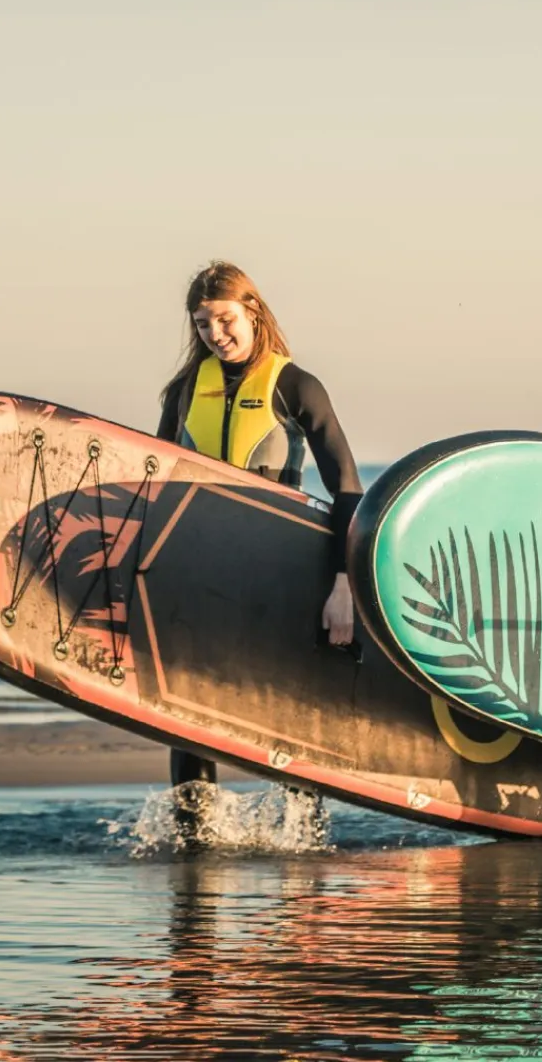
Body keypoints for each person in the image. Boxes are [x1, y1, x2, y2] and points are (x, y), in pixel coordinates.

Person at [156, 260, 364, 831]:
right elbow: (155, 486)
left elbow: (347, 485)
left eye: (224, 320)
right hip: (200, 571)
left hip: (281, 572)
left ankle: (304, 839)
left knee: (288, 709)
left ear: (253, 311)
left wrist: (342, 584)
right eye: (201, 325)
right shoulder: (183, 392)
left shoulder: (295, 386)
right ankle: (196, 842)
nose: (214, 335)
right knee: (187, 711)